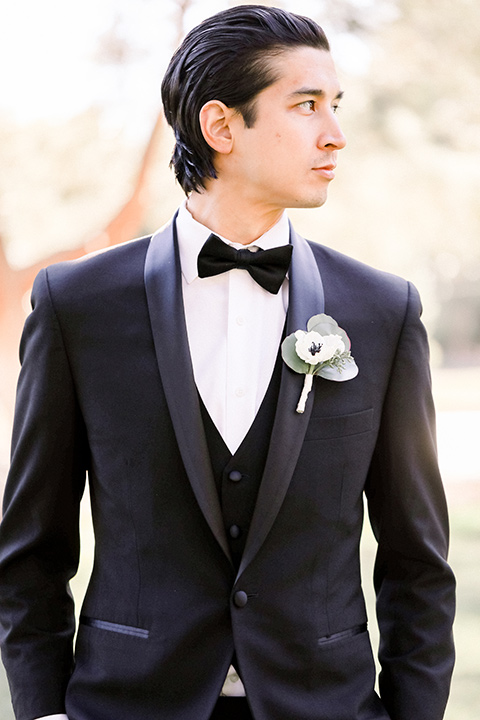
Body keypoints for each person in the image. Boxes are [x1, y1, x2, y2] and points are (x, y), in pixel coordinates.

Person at [0, 5, 455, 720]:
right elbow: (29, 551)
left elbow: (418, 564)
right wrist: (42, 711)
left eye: (334, 105)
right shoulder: (77, 305)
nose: (335, 133)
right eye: (306, 105)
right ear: (220, 127)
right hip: (127, 706)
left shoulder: (382, 312)